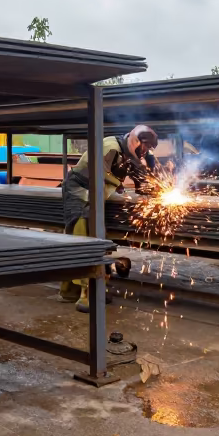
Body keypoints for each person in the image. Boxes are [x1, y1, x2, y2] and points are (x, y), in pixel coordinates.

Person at [59, 124, 158, 310]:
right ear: (136, 142)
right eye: (145, 149)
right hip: (80, 190)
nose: (145, 153)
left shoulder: (130, 153)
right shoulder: (110, 146)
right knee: (84, 237)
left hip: (96, 192)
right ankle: (86, 297)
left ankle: (68, 292)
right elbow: (99, 172)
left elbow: (139, 174)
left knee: (88, 236)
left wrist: (149, 187)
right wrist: (117, 183)